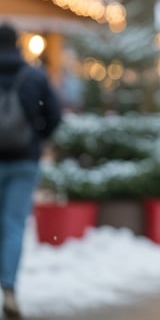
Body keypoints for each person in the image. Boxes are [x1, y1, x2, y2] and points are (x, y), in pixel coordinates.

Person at [0, 23, 62, 319]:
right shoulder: (33, 76)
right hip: (24, 160)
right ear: (18, 43)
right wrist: (37, 137)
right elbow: (54, 116)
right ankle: (9, 289)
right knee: (13, 225)